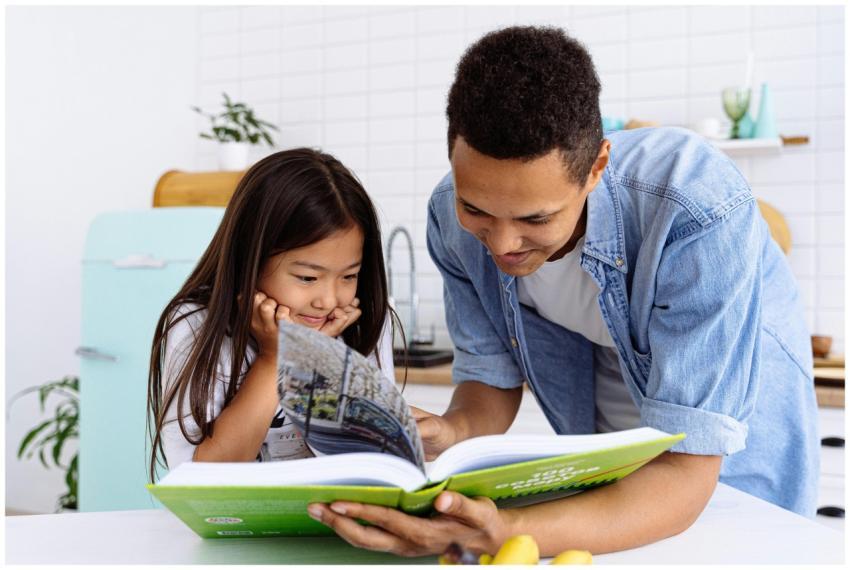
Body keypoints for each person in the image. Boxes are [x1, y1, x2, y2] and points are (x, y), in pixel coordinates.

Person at [306, 26, 819, 557]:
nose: (501, 245)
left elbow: (688, 472)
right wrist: (451, 431)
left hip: (723, 448)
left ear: (596, 167)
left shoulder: (695, 205)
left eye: (535, 217)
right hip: (610, 462)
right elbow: (488, 378)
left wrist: (502, 531)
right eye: (477, 209)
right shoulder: (447, 216)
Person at [147, 148, 399, 480]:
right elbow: (202, 480)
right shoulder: (197, 324)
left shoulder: (363, 323)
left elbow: (370, 464)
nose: (327, 300)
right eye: (308, 278)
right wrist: (274, 358)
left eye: (349, 276)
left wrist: (318, 355)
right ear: (252, 260)